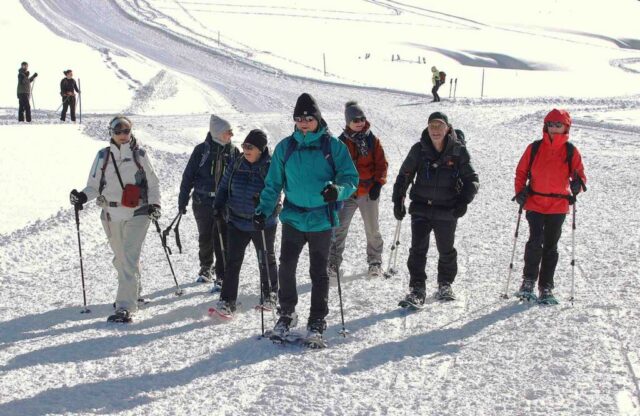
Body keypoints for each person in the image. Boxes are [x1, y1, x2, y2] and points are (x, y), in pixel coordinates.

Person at [255, 93, 358, 343]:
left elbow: (350, 178)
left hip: (321, 219)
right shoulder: (285, 147)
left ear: (317, 119)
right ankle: (287, 314)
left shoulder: (333, 146)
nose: (303, 123)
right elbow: (273, 184)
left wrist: (337, 191)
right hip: (293, 217)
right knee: (286, 266)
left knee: (319, 271)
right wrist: (263, 210)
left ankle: (317, 320)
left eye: (308, 119)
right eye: (299, 119)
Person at [69, 116, 161, 323]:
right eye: (117, 131)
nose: (122, 135)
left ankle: (125, 307)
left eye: (126, 131)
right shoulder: (103, 156)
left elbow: (153, 183)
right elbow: (94, 186)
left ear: (131, 132)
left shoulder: (140, 155)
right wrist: (82, 197)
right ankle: (134, 292)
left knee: (128, 257)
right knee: (121, 259)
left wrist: (155, 205)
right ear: (111, 133)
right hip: (110, 214)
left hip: (138, 212)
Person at [392, 111, 479, 305]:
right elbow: (404, 175)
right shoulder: (419, 149)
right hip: (421, 207)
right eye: (432, 125)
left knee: (446, 249)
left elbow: (472, 179)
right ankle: (417, 289)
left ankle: (445, 284)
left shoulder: (458, 151)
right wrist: (398, 199)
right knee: (417, 250)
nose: (435, 130)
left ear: (448, 128)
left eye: (440, 125)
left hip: (447, 209)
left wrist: (463, 201)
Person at [513, 109, 586, 304]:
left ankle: (546, 287)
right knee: (535, 241)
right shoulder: (534, 148)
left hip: (558, 205)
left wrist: (577, 185)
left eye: (558, 124)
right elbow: (521, 172)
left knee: (551, 246)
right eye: (550, 124)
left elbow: (579, 175)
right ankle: (528, 282)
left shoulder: (570, 150)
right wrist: (520, 191)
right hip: (535, 202)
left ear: (566, 127)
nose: (553, 128)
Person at [212, 129, 279, 315]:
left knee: (265, 259)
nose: (246, 149)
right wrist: (218, 204)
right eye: (244, 146)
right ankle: (227, 300)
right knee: (232, 261)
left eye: (250, 147)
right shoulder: (237, 163)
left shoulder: (270, 167)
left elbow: (274, 192)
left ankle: (270, 295)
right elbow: (224, 186)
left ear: (261, 149)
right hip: (237, 221)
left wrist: (264, 212)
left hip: (262, 223)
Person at [328, 101, 388, 279]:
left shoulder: (372, 140)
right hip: (347, 193)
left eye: (362, 119)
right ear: (348, 122)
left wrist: (378, 184)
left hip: (367, 191)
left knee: (372, 228)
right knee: (339, 228)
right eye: (355, 120)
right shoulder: (340, 142)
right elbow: (333, 166)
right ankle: (333, 262)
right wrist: (335, 188)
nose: (360, 122)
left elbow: (381, 164)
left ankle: (375, 261)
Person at [178, 114, 240, 287]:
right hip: (202, 201)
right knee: (205, 236)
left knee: (224, 236)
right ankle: (206, 267)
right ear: (218, 132)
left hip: (225, 202)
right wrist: (182, 200)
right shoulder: (201, 151)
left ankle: (223, 271)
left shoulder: (233, 152)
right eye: (228, 132)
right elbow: (188, 176)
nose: (231, 135)